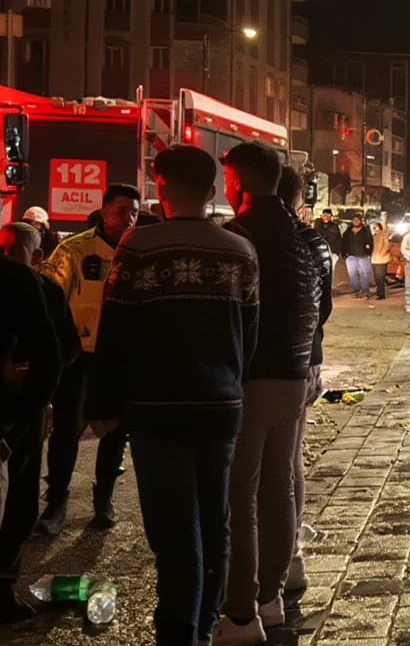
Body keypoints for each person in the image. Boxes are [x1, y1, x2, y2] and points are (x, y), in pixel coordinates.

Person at [85, 146, 259, 646]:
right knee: (214, 521)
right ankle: (203, 626)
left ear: (160, 188)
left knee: (172, 528)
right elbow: (250, 336)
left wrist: (102, 406)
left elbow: (113, 333)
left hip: (156, 408)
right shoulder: (240, 251)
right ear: (212, 192)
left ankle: (177, 632)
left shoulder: (138, 247)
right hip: (220, 406)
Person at [214, 142, 319, 645]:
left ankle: (240, 611)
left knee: (242, 493)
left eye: (229, 181)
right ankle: (272, 598)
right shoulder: (301, 235)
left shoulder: (242, 234)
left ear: (239, 183)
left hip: (253, 376)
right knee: (278, 488)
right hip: (294, 373)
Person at [36, 183, 140, 534]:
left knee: (115, 431)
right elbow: (51, 301)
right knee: (67, 430)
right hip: (80, 357)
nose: (129, 217)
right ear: (104, 210)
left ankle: (103, 500)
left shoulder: (139, 251)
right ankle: (56, 501)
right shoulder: (74, 250)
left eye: (134, 211)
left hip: (121, 358)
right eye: (122, 210)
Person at [0, 222, 69, 623]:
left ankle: (4, 582)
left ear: (38, 256)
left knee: (21, 506)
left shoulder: (43, 290)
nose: (9, 253)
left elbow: (60, 351)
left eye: (18, 248)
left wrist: (32, 399)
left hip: (21, 416)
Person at [276, 166, 333, 595]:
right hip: (305, 361)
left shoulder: (245, 235)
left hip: (260, 369)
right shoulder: (313, 240)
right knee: (289, 460)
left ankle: (262, 577)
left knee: (251, 476)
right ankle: (290, 556)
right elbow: (323, 305)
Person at [341, 212, 373, 299]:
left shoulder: (365, 231)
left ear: (360, 221)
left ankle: (365, 291)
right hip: (351, 256)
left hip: (364, 256)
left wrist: (368, 250)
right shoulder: (348, 232)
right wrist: (344, 254)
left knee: (365, 274)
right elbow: (343, 243)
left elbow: (371, 242)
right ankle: (357, 290)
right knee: (352, 274)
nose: (356, 221)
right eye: (354, 220)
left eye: (358, 220)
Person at [371, 222, 392, 301]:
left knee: (380, 277)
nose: (374, 228)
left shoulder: (383, 236)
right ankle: (379, 292)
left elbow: (386, 246)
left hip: (382, 259)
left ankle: (381, 294)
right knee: (377, 277)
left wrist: (381, 254)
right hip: (374, 259)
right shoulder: (373, 236)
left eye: (376, 227)